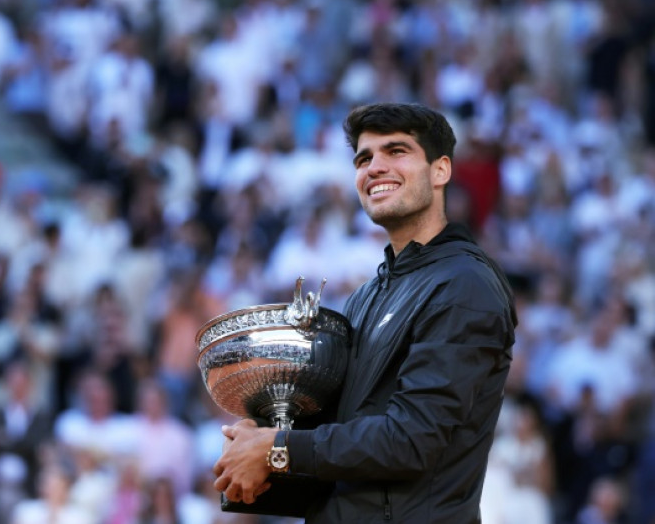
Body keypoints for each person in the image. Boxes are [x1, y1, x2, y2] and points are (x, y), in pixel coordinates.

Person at [212, 102, 517, 523]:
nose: (375, 167)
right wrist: (261, 438)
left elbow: (413, 440)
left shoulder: (464, 285)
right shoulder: (364, 297)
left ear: (440, 170)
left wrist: (277, 448)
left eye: (396, 152)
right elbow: (340, 445)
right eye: (364, 158)